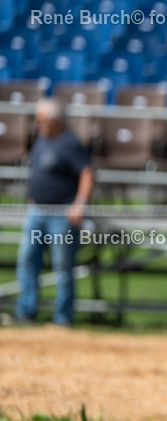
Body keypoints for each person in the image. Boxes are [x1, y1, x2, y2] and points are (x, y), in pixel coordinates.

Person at [15, 98, 94, 327]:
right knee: (27, 262)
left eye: (42, 120)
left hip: (61, 215)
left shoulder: (70, 143)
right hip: (37, 212)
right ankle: (25, 313)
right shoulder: (42, 140)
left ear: (55, 120)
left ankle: (62, 318)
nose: (38, 124)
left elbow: (87, 174)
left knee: (62, 267)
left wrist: (79, 203)